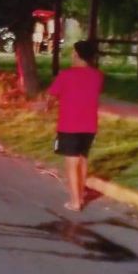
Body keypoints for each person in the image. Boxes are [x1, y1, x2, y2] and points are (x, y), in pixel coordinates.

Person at [45, 41, 103, 212]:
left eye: (73, 53)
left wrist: (48, 106)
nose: (71, 55)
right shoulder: (98, 76)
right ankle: (81, 192)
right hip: (90, 125)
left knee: (71, 163)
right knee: (83, 159)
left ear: (77, 55)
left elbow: (51, 96)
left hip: (70, 125)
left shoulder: (66, 75)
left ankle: (75, 202)